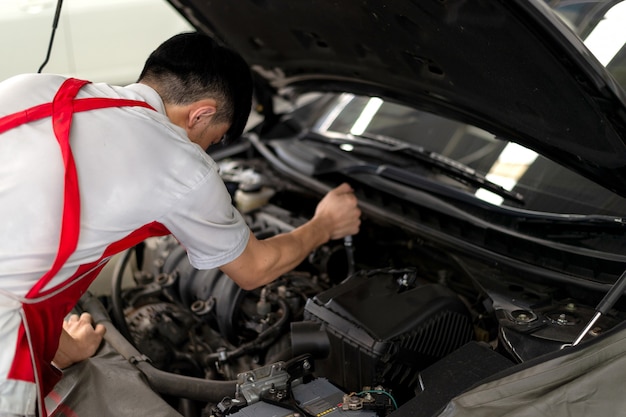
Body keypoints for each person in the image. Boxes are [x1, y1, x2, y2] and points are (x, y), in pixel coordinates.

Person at [0, 32, 360, 417]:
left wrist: (66, 349)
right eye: (214, 138)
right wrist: (324, 224)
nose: (204, 150)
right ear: (201, 113)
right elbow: (255, 269)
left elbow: (22, 246)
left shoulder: (32, 87)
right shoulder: (180, 163)